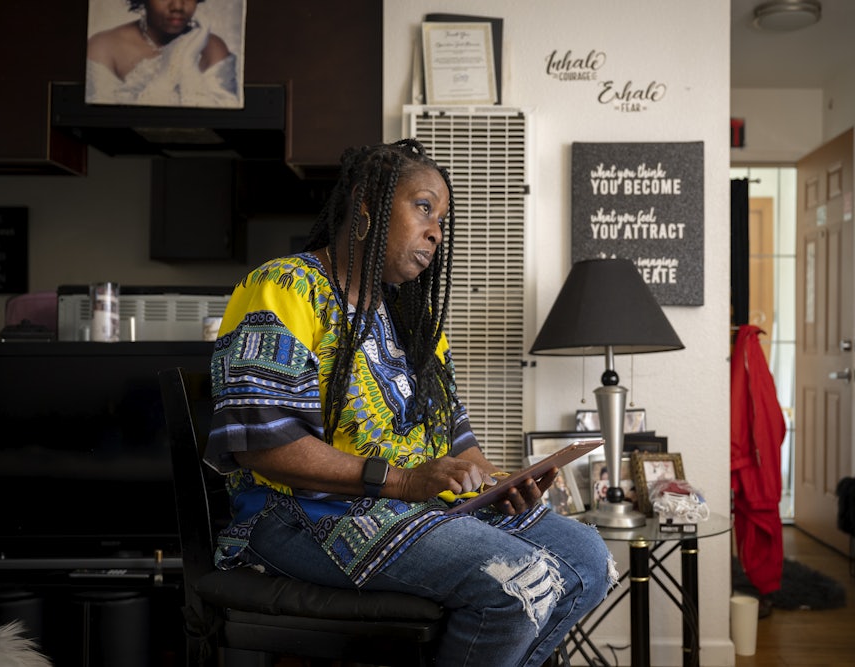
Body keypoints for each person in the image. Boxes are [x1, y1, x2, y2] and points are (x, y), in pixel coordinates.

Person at [203, 139, 616, 667]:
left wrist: (500, 485)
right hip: (296, 515)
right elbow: (266, 447)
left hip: (411, 507)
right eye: (424, 208)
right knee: (519, 581)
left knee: (589, 559)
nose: (436, 233)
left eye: (442, 220)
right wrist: (403, 481)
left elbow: (458, 443)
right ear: (367, 204)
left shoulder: (414, 322)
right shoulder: (284, 287)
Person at [86, 0, 240, 107]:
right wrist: (170, 70)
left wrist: (187, 61)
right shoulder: (103, 46)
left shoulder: (213, 48)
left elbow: (218, 121)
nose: (178, 6)